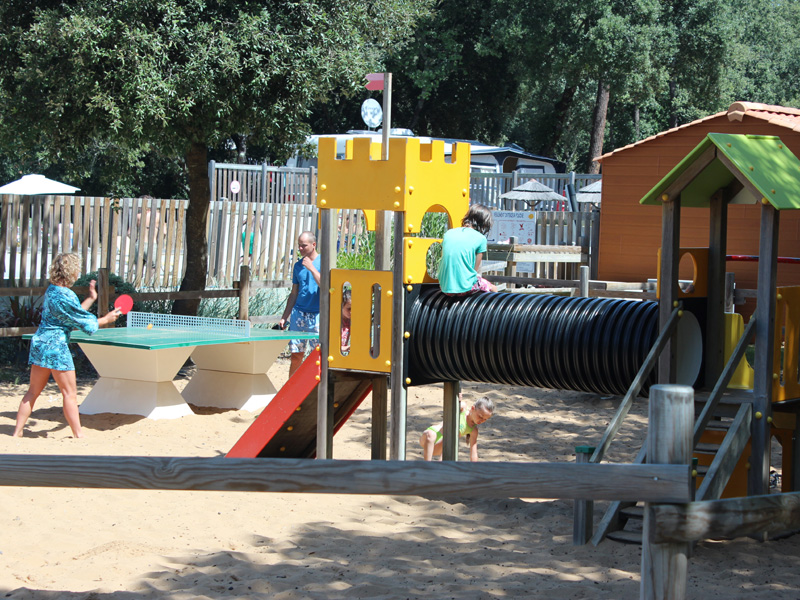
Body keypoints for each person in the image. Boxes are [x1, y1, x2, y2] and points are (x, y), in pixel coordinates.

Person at [14, 253, 121, 438]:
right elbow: (82, 322)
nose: (79, 272)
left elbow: (70, 315)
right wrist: (107, 318)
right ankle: (78, 435)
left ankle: (17, 433)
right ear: (71, 272)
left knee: (32, 391)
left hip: (40, 343)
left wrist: (91, 298)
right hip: (56, 347)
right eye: (77, 269)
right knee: (69, 393)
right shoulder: (66, 294)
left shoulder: (52, 290)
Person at [279, 231, 321, 377]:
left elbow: (326, 285)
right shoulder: (298, 266)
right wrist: (285, 317)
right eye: (299, 246)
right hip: (299, 314)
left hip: (318, 314)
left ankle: (315, 389)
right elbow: (294, 293)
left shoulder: (323, 262)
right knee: (296, 355)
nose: (300, 249)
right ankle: (292, 388)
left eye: (304, 246)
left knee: (318, 356)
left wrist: (311, 268)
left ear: (313, 245)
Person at [438, 204, 498, 296]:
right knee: (494, 288)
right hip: (465, 288)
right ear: (484, 224)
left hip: (444, 287)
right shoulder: (481, 238)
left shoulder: (449, 233)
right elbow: (474, 270)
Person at [420, 397, 495, 462]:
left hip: (441, 447)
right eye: (480, 416)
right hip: (430, 437)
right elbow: (453, 404)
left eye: (485, 419)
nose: (482, 420)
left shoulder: (473, 430)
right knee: (431, 435)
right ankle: (427, 467)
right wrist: (457, 398)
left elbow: (474, 453)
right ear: (473, 408)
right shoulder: (463, 409)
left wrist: (474, 468)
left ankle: (439, 468)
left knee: (453, 439)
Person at [340, 288, 352, 354]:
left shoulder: (350, 321)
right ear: (341, 306)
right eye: (349, 309)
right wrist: (344, 348)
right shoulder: (335, 321)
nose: (351, 312)